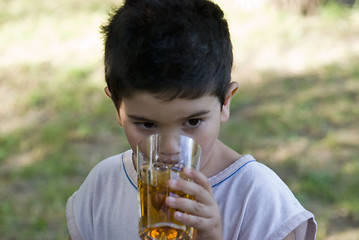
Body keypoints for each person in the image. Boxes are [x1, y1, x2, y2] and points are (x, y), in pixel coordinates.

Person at [66, 0, 317, 239]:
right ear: (117, 107)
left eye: (193, 122)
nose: (169, 148)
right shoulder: (102, 188)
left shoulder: (259, 200)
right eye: (146, 124)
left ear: (225, 103)